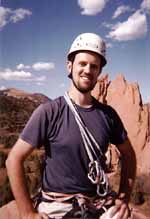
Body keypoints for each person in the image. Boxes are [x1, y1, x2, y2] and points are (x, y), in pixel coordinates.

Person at [6, 33, 131, 219]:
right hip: (58, 205)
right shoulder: (48, 111)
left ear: (98, 72)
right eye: (82, 63)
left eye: (94, 66)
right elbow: (13, 159)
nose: (88, 70)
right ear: (70, 66)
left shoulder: (108, 115)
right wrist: (27, 213)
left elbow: (129, 155)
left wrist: (123, 197)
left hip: (98, 202)